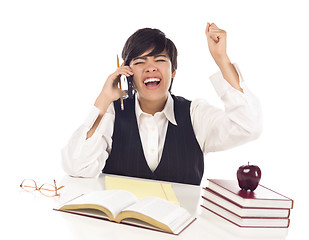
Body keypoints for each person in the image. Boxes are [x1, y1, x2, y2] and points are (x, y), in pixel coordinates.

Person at [61, 23, 262, 185]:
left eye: (159, 60)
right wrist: (103, 100)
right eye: (139, 62)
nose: (150, 68)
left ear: (173, 71)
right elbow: (76, 166)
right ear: (128, 73)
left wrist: (221, 59)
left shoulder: (195, 114)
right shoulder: (114, 113)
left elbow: (248, 126)